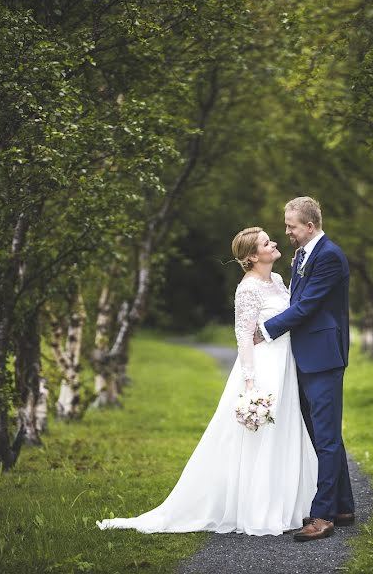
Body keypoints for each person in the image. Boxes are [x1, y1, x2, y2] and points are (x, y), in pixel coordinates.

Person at [96, 227, 317, 536]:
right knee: (260, 436)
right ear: (253, 256)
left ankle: (289, 504)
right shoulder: (248, 288)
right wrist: (250, 382)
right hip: (263, 367)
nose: (275, 243)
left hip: (285, 365)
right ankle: (258, 508)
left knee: (285, 430)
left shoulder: (278, 280)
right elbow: (243, 336)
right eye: (267, 242)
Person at [257, 196, 355, 542]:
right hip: (305, 355)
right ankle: (343, 505)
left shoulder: (329, 256)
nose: (287, 232)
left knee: (326, 438)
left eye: (291, 226)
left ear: (309, 227)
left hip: (323, 356)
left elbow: (308, 305)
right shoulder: (303, 255)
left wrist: (266, 330)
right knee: (322, 434)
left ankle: (323, 516)